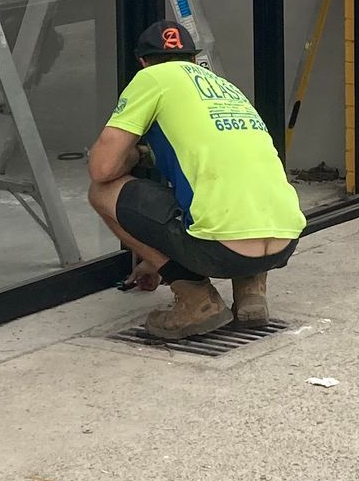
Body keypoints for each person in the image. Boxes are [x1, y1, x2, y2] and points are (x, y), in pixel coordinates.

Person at [86, 23, 306, 341]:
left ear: (143, 62)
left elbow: (101, 168)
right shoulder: (223, 87)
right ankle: (251, 293)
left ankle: (197, 300)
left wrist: (134, 155)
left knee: (101, 193)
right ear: (192, 60)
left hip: (222, 249)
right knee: (240, 187)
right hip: (284, 242)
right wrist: (152, 261)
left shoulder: (151, 79)